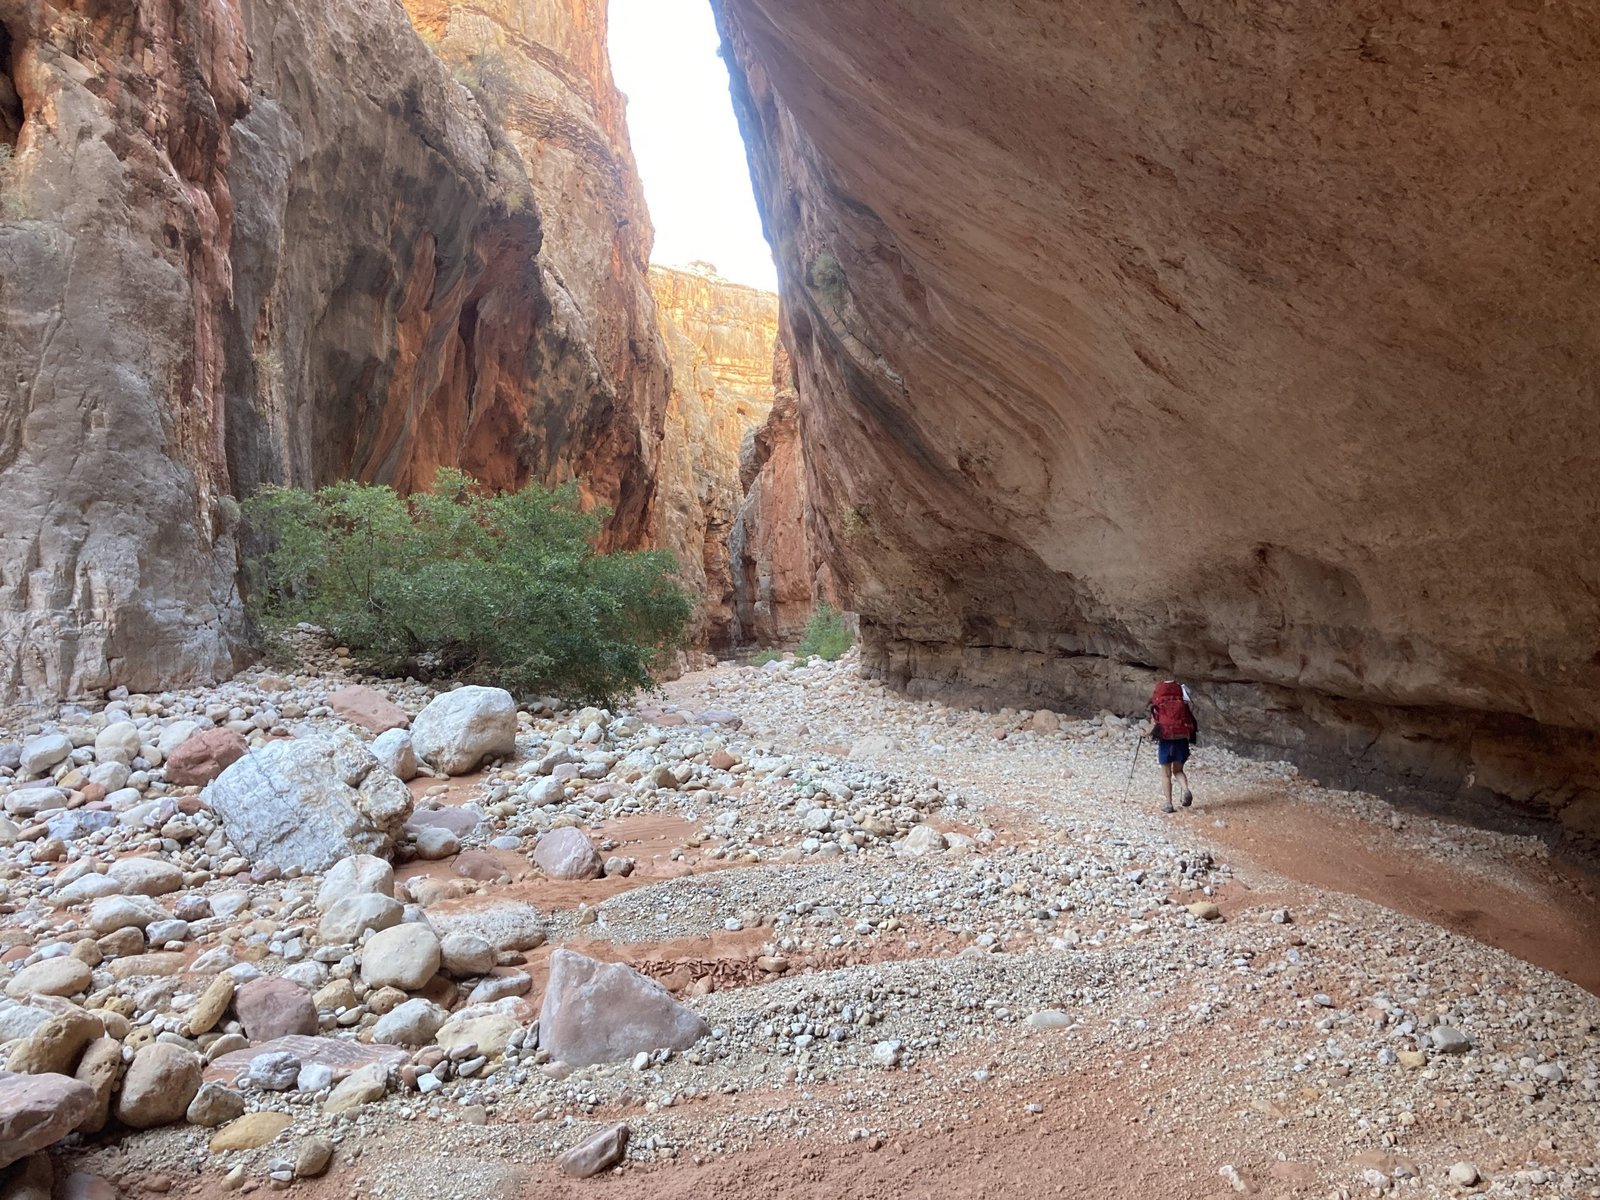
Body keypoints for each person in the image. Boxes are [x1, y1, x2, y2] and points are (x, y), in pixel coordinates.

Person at [1147, 679, 1198, 814]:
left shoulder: (1158, 704)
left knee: (1166, 774)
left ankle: (1168, 803)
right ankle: (1185, 789)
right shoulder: (1183, 703)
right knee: (1178, 771)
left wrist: (1145, 733)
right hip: (1182, 740)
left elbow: (1153, 725)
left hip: (1166, 742)